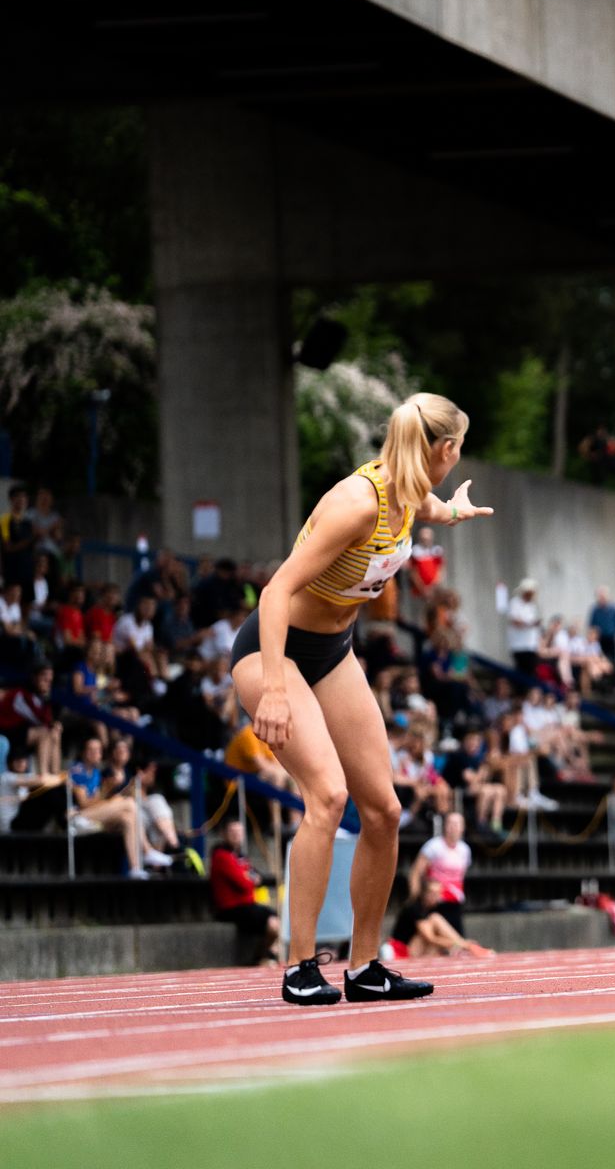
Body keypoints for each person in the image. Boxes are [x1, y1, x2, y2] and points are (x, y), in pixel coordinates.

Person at [232, 392, 491, 1006]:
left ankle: (366, 965)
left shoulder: (407, 494)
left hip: (332, 651)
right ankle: (299, 966)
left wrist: (450, 514)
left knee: (385, 811)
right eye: (459, 451)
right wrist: (272, 688)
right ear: (447, 450)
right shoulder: (356, 503)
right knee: (327, 795)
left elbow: (422, 505)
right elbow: (274, 592)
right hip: (274, 650)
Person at [70, 735, 167, 876]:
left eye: (98, 750)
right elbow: (84, 804)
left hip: (92, 817)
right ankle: (147, 851)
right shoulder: (78, 771)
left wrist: (108, 790)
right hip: (77, 818)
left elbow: (97, 800)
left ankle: (135, 868)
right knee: (127, 803)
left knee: (127, 818)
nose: (96, 753)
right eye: (91, 750)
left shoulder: (96, 773)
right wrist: (108, 790)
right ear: (83, 752)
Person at [210, 820, 280, 966]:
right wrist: (249, 878)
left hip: (247, 905)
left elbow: (256, 877)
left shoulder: (240, 856)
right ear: (224, 834)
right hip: (232, 908)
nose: (236, 836)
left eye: (239, 832)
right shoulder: (221, 855)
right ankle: (264, 955)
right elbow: (245, 884)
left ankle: (265, 954)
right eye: (232, 832)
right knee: (273, 923)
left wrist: (249, 877)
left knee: (275, 919)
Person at [390, 877, 492, 959]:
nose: (437, 897)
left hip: (415, 948)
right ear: (424, 894)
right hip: (402, 951)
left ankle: (463, 947)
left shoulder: (429, 909)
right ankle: (465, 947)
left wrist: (459, 943)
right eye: (433, 893)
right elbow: (430, 938)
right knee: (435, 919)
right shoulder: (414, 908)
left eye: (438, 893)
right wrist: (463, 944)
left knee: (436, 921)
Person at [409, 812, 473, 935]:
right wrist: (416, 897)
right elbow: (416, 872)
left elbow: (461, 875)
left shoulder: (465, 850)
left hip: (454, 902)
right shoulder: (434, 846)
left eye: (457, 824)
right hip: (435, 901)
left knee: (456, 941)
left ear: (463, 827)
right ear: (445, 826)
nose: (453, 827)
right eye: (450, 823)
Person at [588, 586, 615, 683]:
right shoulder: (595, 610)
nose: (602, 599)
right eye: (600, 597)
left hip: (611, 638)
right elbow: (592, 625)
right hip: (599, 639)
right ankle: (603, 682)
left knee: (613, 660)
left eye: (603, 596)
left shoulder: (613, 609)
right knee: (600, 659)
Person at [507, 579, 541, 678]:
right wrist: (529, 624)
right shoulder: (515, 603)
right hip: (519, 645)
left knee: (531, 672)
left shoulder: (532, 606)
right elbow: (514, 621)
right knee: (521, 673)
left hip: (531, 645)